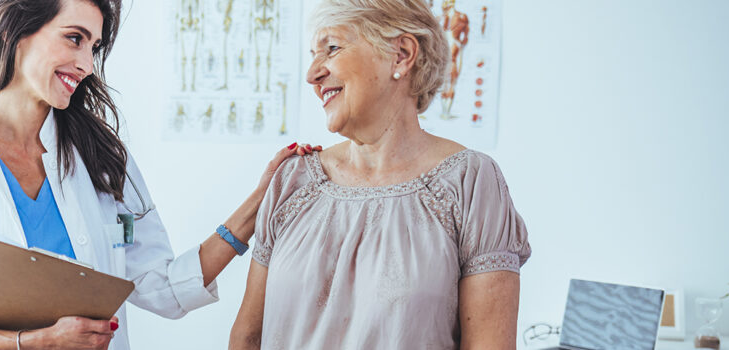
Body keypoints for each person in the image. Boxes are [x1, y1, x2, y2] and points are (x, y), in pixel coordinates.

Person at [0, 0, 317, 349]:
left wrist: (258, 203)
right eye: (74, 39)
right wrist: (33, 343)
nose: (87, 63)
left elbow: (160, 286)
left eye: (93, 47)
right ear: (16, 31)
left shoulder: (101, 159)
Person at [227, 0, 531, 348]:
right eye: (313, 54)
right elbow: (247, 337)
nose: (312, 74)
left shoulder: (471, 182)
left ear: (401, 55)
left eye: (332, 48)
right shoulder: (292, 179)